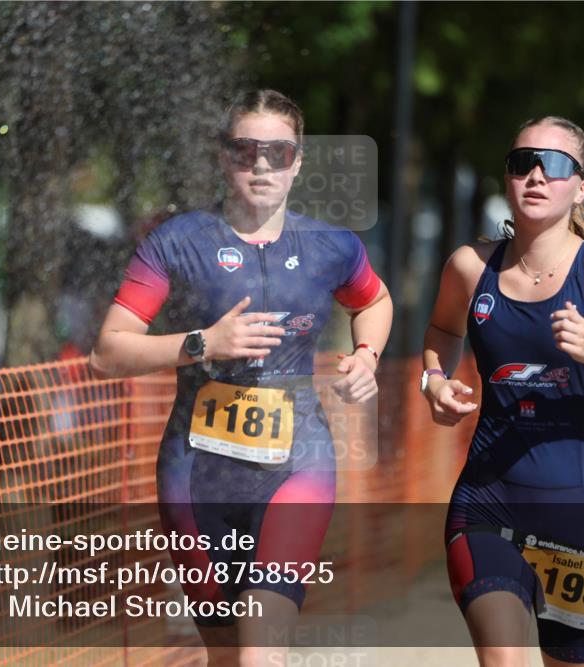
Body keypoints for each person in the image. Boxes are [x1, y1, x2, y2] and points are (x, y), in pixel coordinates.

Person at [90, 89, 392, 666]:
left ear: (298, 162)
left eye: (278, 152)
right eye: (244, 150)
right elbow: (107, 353)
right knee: (228, 656)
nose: (261, 165)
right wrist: (205, 343)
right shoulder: (177, 242)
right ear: (223, 156)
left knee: (260, 651)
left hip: (298, 464)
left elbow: (374, 301)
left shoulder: (332, 245)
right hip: (195, 474)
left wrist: (367, 356)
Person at [423, 116, 584, 666]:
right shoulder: (470, 266)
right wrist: (433, 379)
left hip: (577, 512)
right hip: (486, 501)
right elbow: (441, 331)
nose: (535, 175)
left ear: (580, 188)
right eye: (521, 162)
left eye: (553, 165)